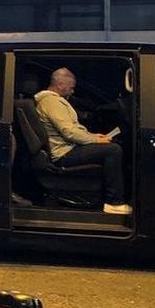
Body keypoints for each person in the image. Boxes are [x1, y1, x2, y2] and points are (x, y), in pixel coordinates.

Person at [34, 67, 132, 215]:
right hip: (64, 152)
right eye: (71, 88)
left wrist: (95, 136)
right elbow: (69, 132)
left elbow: (73, 129)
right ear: (60, 84)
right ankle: (114, 202)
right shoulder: (52, 102)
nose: (72, 91)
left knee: (111, 146)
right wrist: (95, 140)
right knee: (113, 150)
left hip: (68, 148)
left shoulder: (52, 101)